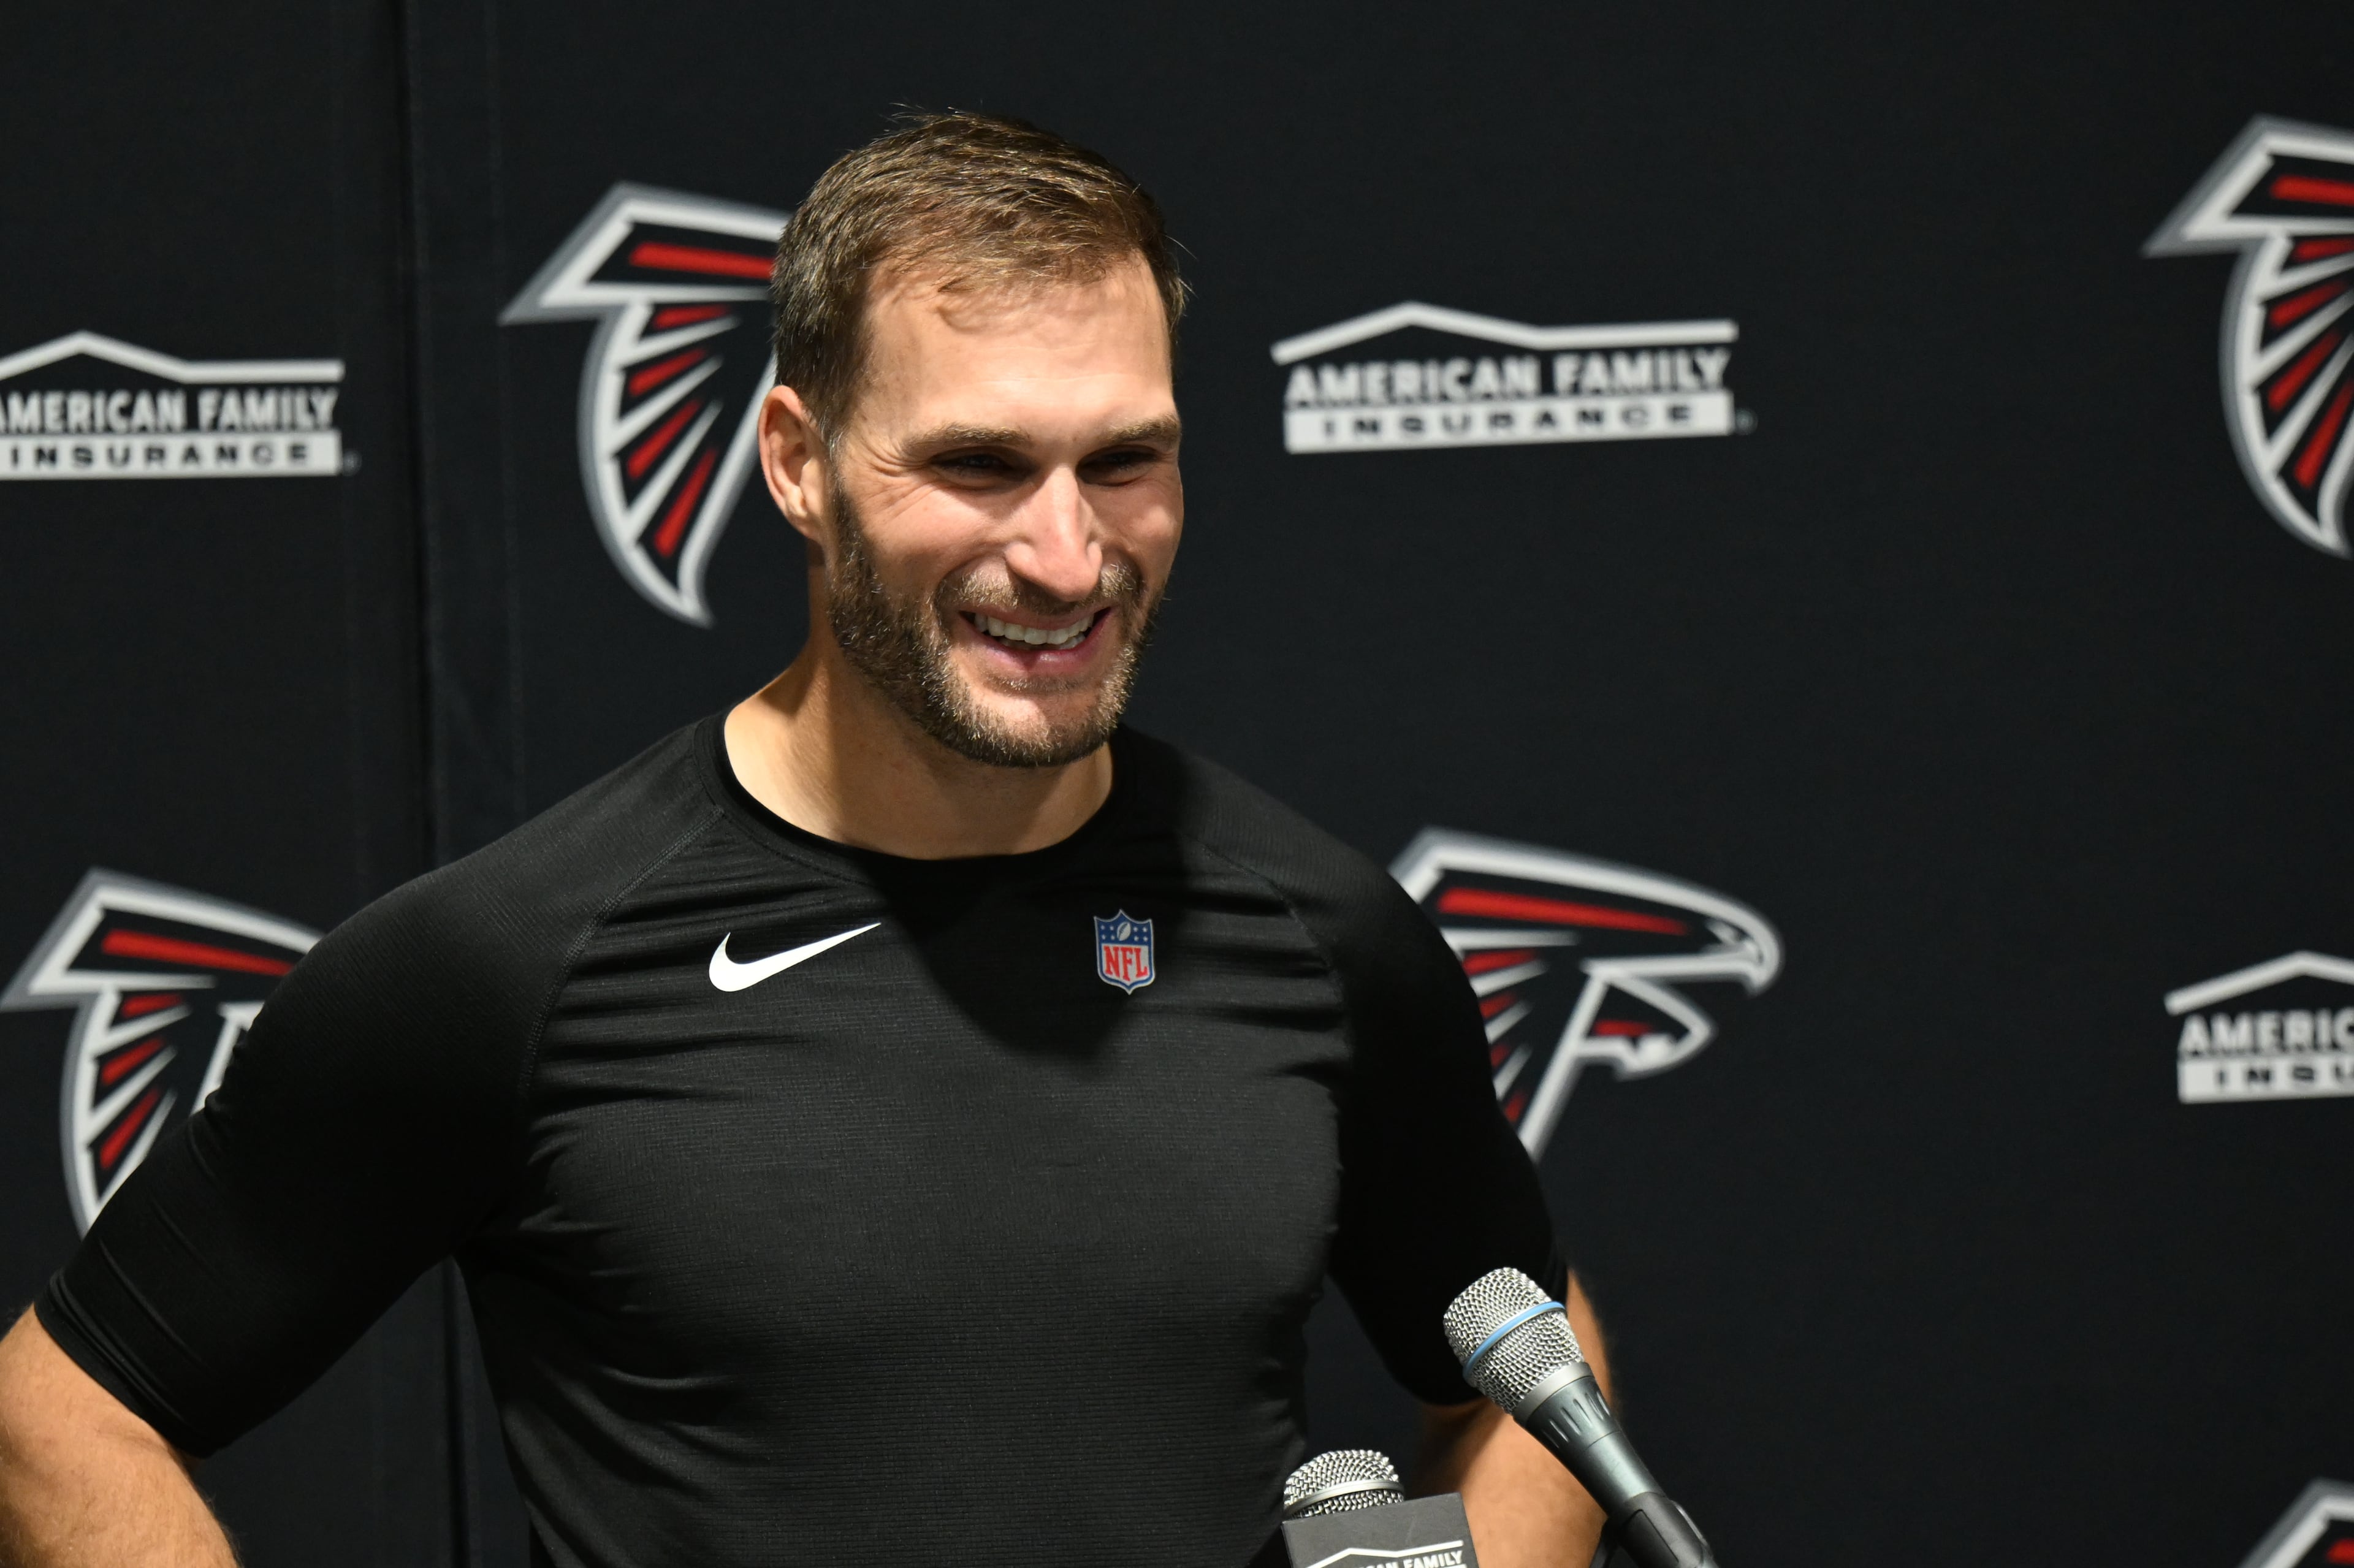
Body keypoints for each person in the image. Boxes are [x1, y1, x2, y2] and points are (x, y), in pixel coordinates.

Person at [0, 112, 1614, 1568]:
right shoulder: (512, 960)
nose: (1067, 556)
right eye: (978, 467)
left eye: (1126, 461)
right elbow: (62, 1410)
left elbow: (1530, 1361)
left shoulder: (1319, 932)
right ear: (799, 465)